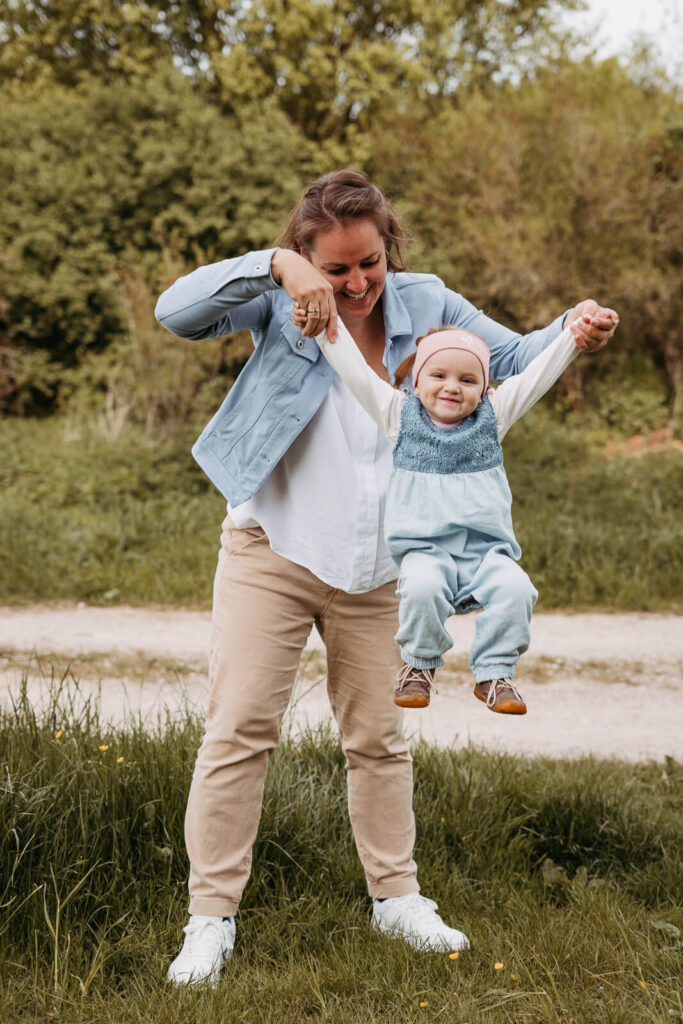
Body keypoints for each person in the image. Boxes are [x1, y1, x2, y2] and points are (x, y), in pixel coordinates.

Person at [154, 170, 618, 986]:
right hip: (273, 547)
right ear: (307, 258)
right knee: (238, 732)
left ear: (387, 248)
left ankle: (396, 898)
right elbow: (176, 313)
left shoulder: (426, 300)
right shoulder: (281, 298)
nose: (356, 283)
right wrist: (275, 266)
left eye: (367, 262)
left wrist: (573, 325)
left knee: (378, 739)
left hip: (384, 566)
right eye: (334, 268)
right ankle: (210, 918)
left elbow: (513, 356)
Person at [314, 319, 613, 715]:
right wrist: (323, 327)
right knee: (421, 588)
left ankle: (494, 674)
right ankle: (419, 666)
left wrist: (572, 339)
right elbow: (356, 373)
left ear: (485, 389)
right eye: (438, 375)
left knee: (517, 590)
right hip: (425, 553)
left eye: (468, 380)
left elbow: (535, 378)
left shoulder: (493, 417)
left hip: (487, 556)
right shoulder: (399, 416)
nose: (452, 387)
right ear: (416, 382)